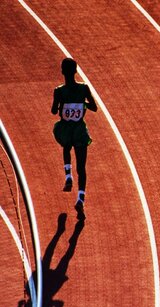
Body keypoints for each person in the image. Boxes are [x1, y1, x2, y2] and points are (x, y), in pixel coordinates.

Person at [51, 58, 97, 218]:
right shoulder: (84, 88)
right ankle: (81, 199)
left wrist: (62, 105)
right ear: (76, 71)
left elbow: (53, 111)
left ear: (62, 71)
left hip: (65, 129)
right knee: (82, 167)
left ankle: (68, 176)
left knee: (66, 147)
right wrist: (82, 105)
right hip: (79, 130)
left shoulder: (58, 91)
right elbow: (94, 107)